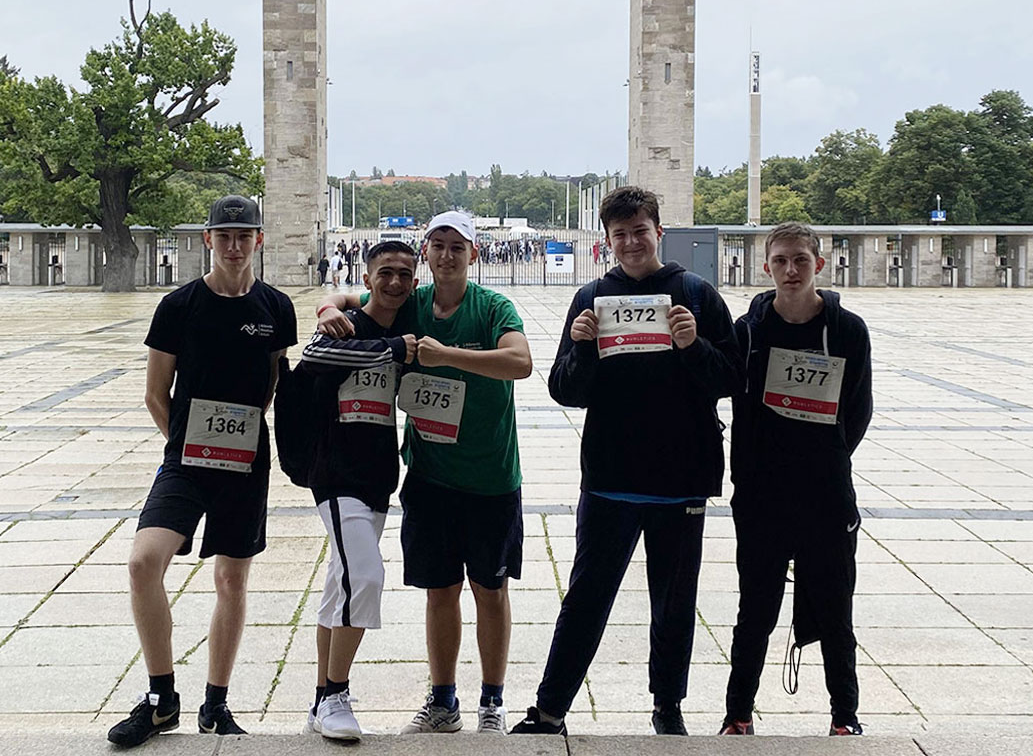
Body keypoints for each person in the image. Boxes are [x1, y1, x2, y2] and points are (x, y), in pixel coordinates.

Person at [510, 186, 740, 737]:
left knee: (675, 604)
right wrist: (583, 344)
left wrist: (694, 345)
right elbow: (565, 389)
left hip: (680, 479)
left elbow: (733, 378)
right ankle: (550, 710)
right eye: (620, 235)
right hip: (611, 479)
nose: (632, 242)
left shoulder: (697, 294)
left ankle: (668, 708)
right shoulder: (592, 296)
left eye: (640, 231)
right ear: (607, 241)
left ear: (659, 231)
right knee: (587, 599)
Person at [317, 209, 533, 734]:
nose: (446, 255)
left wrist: (448, 356)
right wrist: (327, 305)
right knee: (439, 591)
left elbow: (520, 361)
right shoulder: (410, 301)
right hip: (429, 475)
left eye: (457, 247)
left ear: (474, 255)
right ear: (426, 254)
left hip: (490, 476)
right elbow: (354, 299)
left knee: (490, 589)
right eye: (437, 245)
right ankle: (443, 699)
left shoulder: (492, 306)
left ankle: (492, 700)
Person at [107, 195, 296, 747]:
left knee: (232, 579)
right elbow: (153, 392)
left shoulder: (276, 307)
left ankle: (216, 702)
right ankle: (162, 697)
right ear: (208, 240)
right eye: (224, 236)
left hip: (246, 461)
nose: (234, 245)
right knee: (144, 563)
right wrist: (186, 446)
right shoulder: (178, 305)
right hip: (185, 460)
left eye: (244, 236)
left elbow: (275, 383)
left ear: (258, 240)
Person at [719, 222, 873, 737]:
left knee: (835, 610)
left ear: (818, 266)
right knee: (755, 611)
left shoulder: (848, 330)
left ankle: (844, 717)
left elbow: (858, 410)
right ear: (766, 267)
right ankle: (738, 715)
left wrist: (825, 458)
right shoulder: (748, 331)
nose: (790, 270)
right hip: (761, 497)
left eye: (800, 261)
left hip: (825, 496)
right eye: (781, 261)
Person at [297, 241, 421, 740]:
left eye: (404, 274)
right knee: (365, 576)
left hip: (376, 476)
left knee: (340, 583)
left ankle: (318, 700)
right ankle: (336, 693)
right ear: (367, 278)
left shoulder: (410, 324)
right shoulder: (345, 327)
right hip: (334, 472)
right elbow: (314, 355)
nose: (394, 282)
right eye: (384, 273)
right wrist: (332, 305)